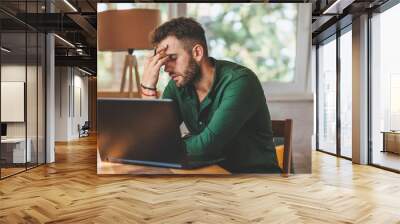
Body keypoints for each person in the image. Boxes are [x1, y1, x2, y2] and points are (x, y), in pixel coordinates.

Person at [140, 17, 280, 173]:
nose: (166, 68)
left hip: (255, 181)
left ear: (197, 52)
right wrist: (148, 88)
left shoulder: (241, 82)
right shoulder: (178, 85)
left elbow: (204, 148)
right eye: (162, 60)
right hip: (208, 175)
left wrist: (167, 145)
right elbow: (154, 137)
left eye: (172, 58)